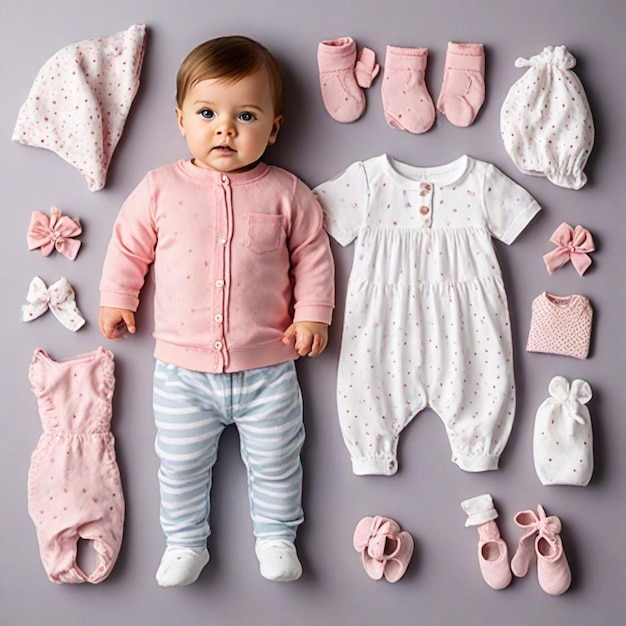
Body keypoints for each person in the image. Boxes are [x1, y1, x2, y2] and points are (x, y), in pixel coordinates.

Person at [99, 35, 335, 586]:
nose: (225, 128)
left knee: (279, 461)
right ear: (182, 120)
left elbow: (313, 255)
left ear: (273, 128)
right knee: (180, 466)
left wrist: (313, 313)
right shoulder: (160, 188)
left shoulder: (287, 193)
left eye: (246, 115)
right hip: (182, 373)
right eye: (208, 112)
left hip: (269, 368)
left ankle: (277, 536)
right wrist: (118, 297)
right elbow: (129, 245)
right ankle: (185, 542)